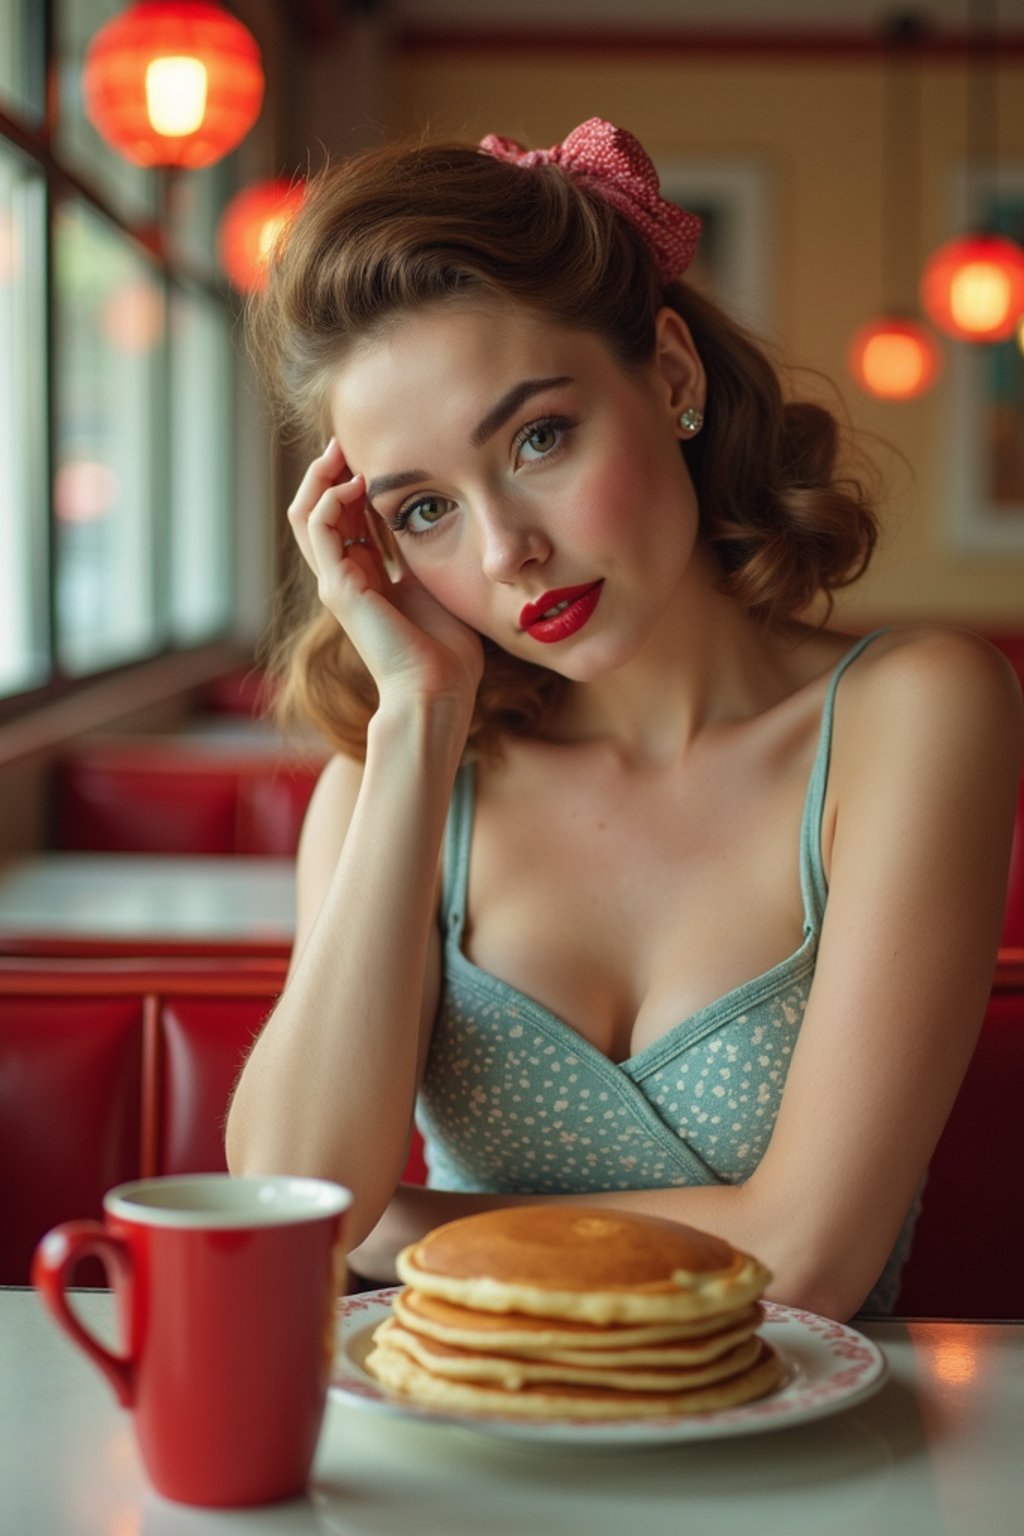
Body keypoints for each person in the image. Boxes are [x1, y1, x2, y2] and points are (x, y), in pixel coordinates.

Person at [225, 118, 1022, 1320]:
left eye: (538, 438)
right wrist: (418, 721)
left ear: (672, 375)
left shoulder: (912, 715)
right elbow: (291, 1202)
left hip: (801, 1486)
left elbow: (808, 1260)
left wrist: (395, 1224)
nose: (506, 550)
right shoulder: (396, 780)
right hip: (451, 1467)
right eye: (425, 510)